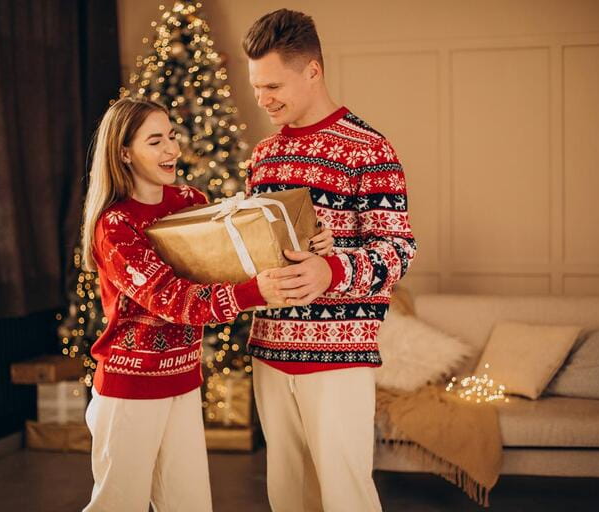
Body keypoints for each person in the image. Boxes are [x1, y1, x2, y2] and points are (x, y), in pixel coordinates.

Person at [78, 97, 332, 511]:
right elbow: (172, 299)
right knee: (117, 505)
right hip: (130, 389)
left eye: (172, 137)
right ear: (124, 153)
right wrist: (257, 292)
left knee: (189, 503)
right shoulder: (115, 224)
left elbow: (230, 261)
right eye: (155, 141)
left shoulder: (188, 202)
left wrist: (309, 243)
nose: (171, 150)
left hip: (182, 378)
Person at [242, 9, 418, 512]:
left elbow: (399, 249)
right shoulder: (263, 157)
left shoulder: (369, 149)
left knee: (346, 496)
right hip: (270, 350)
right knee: (287, 496)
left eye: (273, 84)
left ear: (313, 71)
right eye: (257, 86)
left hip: (337, 359)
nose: (263, 98)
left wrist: (333, 269)